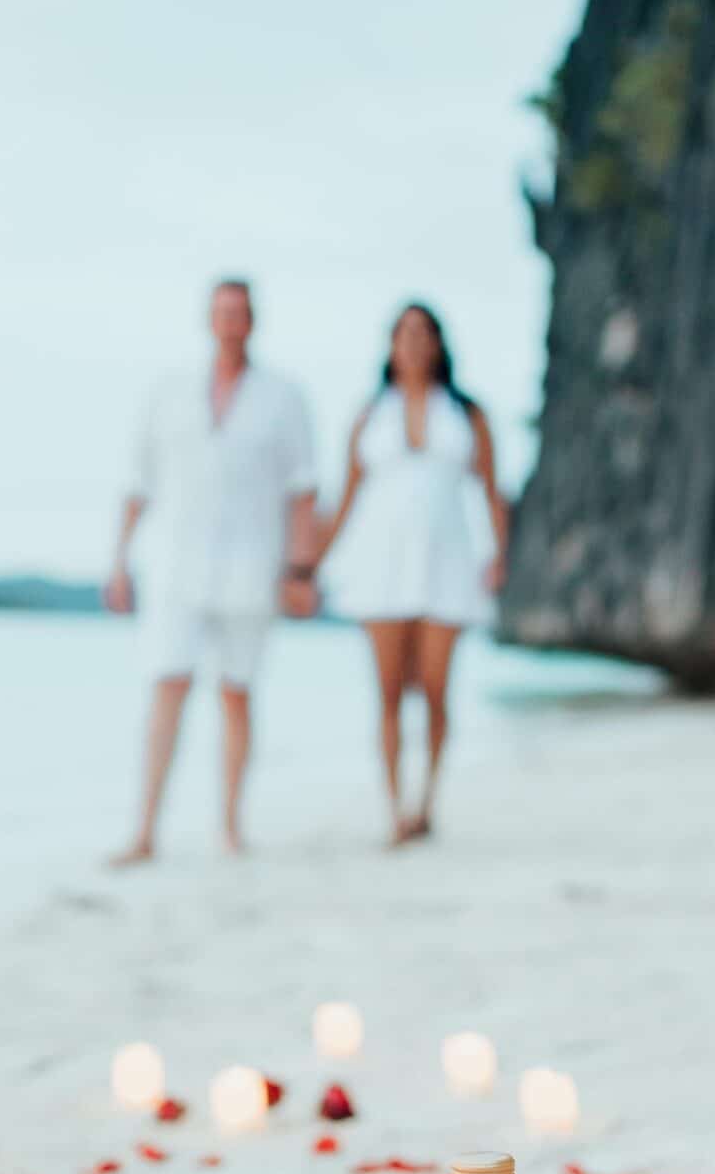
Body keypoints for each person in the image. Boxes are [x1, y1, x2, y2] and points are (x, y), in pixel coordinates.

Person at [106, 278, 316, 862]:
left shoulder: (283, 397)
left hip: (253, 563)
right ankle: (145, 830)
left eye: (240, 312)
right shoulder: (169, 392)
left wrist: (301, 569)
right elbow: (138, 484)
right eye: (222, 312)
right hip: (175, 563)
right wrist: (119, 561)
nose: (230, 322)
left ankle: (230, 827)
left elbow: (303, 490)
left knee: (237, 693)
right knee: (167, 684)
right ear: (208, 318)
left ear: (254, 320)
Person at [311, 302, 508, 845]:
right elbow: (344, 499)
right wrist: (309, 566)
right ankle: (395, 807)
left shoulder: (467, 414)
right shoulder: (369, 416)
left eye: (424, 334)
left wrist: (498, 554)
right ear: (391, 346)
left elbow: (492, 491)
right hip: (381, 566)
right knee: (389, 692)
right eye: (405, 334)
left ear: (439, 344)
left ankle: (428, 799)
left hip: (448, 561)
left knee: (438, 689)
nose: (415, 344)